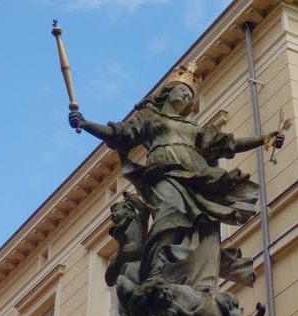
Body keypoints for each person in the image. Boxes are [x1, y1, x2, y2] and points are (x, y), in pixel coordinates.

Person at [69, 63, 284, 289]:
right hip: (164, 172)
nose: (186, 94)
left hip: (198, 176)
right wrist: (86, 124)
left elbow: (228, 144)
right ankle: (155, 273)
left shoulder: (192, 128)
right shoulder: (150, 117)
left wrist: (264, 139)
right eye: (182, 90)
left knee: (205, 227)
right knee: (169, 217)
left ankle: (200, 283)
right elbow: (121, 134)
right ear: (167, 92)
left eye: (190, 94)